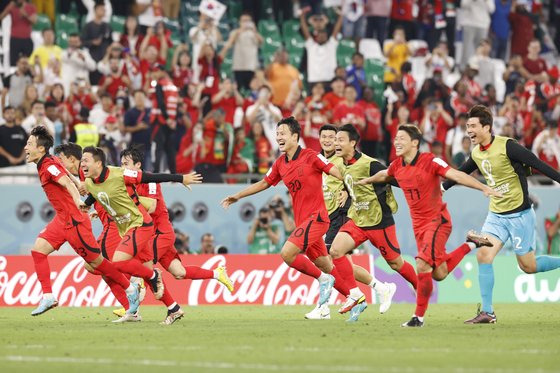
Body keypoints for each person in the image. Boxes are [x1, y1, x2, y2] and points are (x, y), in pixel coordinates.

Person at [221, 117, 366, 322]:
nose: (278, 137)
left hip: (317, 218)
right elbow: (264, 183)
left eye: (283, 133)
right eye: (277, 133)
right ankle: (356, 299)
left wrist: (348, 191)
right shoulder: (280, 163)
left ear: (295, 137)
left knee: (287, 254)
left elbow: (336, 171)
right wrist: (238, 195)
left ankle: (322, 280)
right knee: (327, 266)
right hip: (303, 223)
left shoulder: (311, 156)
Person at [358, 123, 501, 327]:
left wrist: (483, 188)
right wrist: (367, 180)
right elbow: (384, 175)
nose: (396, 142)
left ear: (415, 142)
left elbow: (456, 175)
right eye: (395, 138)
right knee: (439, 273)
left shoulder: (429, 160)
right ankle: (471, 244)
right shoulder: (397, 165)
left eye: (401, 138)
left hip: (437, 221)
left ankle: (418, 317)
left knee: (422, 264)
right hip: (419, 227)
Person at [442, 105, 560, 324]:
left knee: (528, 266)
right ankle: (488, 312)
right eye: (468, 126)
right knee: (483, 255)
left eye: (474, 126)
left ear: (487, 127)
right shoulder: (476, 152)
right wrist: (442, 188)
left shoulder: (508, 146)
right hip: (496, 215)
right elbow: (462, 172)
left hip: (519, 215)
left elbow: (537, 163)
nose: (469, 130)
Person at [23, 127, 139, 318]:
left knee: (98, 263)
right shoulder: (48, 162)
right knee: (38, 251)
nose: (26, 147)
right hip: (61, 220)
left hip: (74, 222)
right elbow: (69, 177)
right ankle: (48, 296)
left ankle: (129, 288)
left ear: (41, 149)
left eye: (29, 144)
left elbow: (65, 182)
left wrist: (79, 201)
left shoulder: (48, 165)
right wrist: (78, 184)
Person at [80, 146, 202, 322]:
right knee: (142, 270)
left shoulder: (120, 174)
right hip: (127, 228)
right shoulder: (91, 182)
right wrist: (87, 205)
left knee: (119, 262)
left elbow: (151, 177)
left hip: (141, 224)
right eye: (82, 160)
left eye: (86, 160)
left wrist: (180, 178)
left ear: (98, 163)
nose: (82, 164)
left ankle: (151, 278)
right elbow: (94, 193)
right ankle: (173, 308)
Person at [118, 146, 234, 324]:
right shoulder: (127, 183)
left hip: (160, 233)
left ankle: (132, 309)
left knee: (144, 269)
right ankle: (217, 274)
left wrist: (124, 200)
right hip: (150, 235)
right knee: (179, 272)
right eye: (121, 164)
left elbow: (153, 207)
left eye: (126, 164)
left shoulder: (148, 181)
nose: (122, 167)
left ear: (138, 165)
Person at [305, 124, 401, 320]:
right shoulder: (319, 160)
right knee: (340, 264)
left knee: (329, 261)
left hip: (340, 215)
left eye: (332, 137)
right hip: (324, 215)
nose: (327, 140)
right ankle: (379, 288)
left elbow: (355, 182)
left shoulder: (341, 161)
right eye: (324, 137)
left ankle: (327, 306)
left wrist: (346, 195)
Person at [300, 7, 343, 85]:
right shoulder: (311, 46)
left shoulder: (331, 45)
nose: (322, 37)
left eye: (324, 36)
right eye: (320, 36)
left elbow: (336, 30)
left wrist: (340, 17)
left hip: (330, 79)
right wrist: (302, 17)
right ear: (316, 37)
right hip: (314, 80)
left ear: (327, 37)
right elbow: (305, 31)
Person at [0, 0, 37, 67]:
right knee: (13, 63)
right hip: (14, 39)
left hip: (27, 38)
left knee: (29, 62)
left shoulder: (31, 7)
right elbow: (1, 17)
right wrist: (8, 9)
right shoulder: (12, 6)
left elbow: (34, 21)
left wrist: (25, 15)